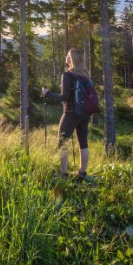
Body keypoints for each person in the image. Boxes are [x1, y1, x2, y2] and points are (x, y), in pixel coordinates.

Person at [42, 48, 93, 181]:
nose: (65, 57)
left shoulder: (67, 75)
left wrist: (47, 93)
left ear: (70, 59)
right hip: (85, 114)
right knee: (83, 142)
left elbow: (64, 97)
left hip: (70, 113)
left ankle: (63, 174)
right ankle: (82, 173)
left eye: (67, 55)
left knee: (62, 141)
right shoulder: (85, 76)